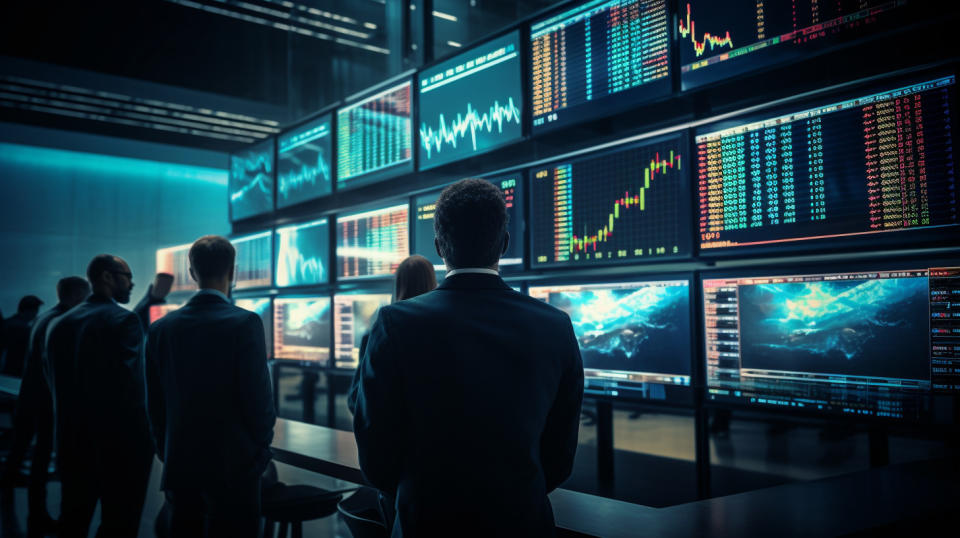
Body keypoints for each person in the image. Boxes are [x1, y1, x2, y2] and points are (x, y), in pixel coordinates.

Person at [352, 179, 584, 537]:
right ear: (504, 244)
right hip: (522, 524)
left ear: (439, 246)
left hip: (425, 523)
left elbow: (375, 449)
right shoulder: (555, 325)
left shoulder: (395, 323)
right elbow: (560, 455)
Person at [146, 235, 275, 538]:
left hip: (181, 463)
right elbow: (258, 401)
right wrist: (260, 450)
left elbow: (154, 402)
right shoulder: (245, 323)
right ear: (234, 271)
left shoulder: (161, 329)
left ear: (191, 273)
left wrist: (166, 450)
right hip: (235, 466)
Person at [46, 255, 155, 538]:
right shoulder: (124, 320)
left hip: (71, 443)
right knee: (119, 524)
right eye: (127, 276)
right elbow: (133, 392)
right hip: (119, 448)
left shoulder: (59, 324)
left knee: (72, 521)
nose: (132, 283)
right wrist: (149, 441)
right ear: (107, 277)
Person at [1, 277, 90, 532]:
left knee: (22, 446)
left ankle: (18, 500)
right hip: (45, 398)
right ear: (74, 296)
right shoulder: (60, 321)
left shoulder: (44, 318)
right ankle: (38, 513)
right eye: (86, 296)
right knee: (42, 453)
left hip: (29, 395)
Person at [0, 295, 43, 377]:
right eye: (36, 310)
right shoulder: (19, 328)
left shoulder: (8, 323)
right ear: (28, 310)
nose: (36, 313)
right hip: (11, 373)